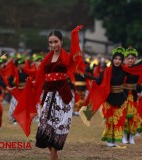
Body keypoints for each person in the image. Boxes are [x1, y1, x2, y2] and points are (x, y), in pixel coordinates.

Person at [13, 25, 85, 160]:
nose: (53, 45)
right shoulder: (46, 59)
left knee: (59, 127)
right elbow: (39, 74)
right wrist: (30, 82)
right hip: (48, 96)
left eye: (56, 42)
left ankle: (53, 156)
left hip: (62, 97)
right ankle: (54, 154)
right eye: (50, 42)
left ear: (61, 42)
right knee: (44, 127)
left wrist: (74, 35)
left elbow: (75, 56)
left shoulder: (66, 57)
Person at [85, 46, 142, 147]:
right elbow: (98, 80)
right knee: (110, 119)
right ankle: (109, 140)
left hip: (121, 97)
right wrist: (88, 76)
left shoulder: (124, 70)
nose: (117, 61)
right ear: (112, 59)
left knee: (119, 119)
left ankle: (116, 139)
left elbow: (135, 69)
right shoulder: (107, 71)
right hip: (109, 98)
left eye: (120, 59)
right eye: (115, 58)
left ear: (122, 61)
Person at [122, 47, 142, 144]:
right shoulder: (123, 68)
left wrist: (139, 91)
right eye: (128, 58)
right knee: (125, 116)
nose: (130, 60)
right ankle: (124, 136)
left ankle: (131, 137)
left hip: (134, 96)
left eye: (132, 58)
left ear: (135, 59)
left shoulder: (138, 69)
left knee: (134, 117)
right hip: (124, 95)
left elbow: (139, 82)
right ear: (126, 59)